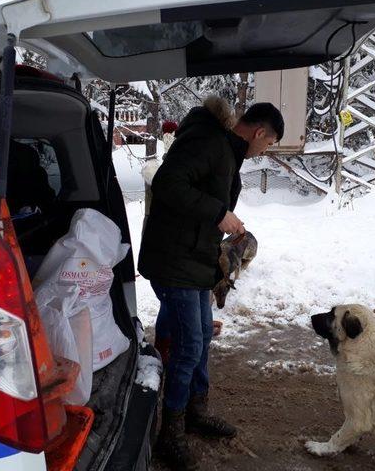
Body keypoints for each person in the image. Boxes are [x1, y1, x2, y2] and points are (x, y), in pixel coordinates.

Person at [138, 97, 284, 470]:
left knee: (200, 337)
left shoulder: (222, 147)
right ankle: (170, 433)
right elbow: (169, 182)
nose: (264, 150)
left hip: (193, 259)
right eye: (267, 144)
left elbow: (195, 196)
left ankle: (195, 410)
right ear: (260, 131)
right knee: (190, 345)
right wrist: (219, 213)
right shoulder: (209, 140)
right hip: (176, 262)